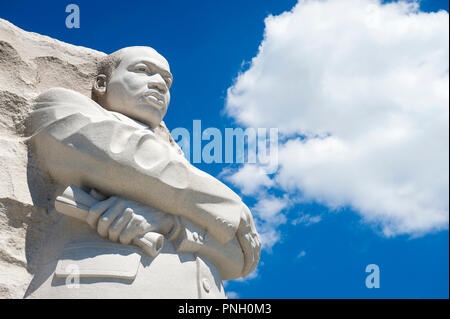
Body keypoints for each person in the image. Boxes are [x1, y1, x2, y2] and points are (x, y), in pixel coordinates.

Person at [25, 46, 261, 298]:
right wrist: (233, 206)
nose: (160, 84)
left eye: (167, 81)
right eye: (143, 70)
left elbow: (243, 259)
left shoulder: (187, 169)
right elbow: (128, 159)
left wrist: (170, 223)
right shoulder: (60, 106)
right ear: (102, 84)